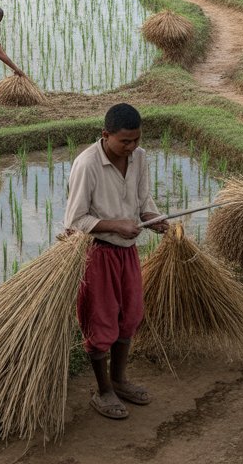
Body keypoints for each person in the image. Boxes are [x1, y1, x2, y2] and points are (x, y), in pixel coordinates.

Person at [64, 103, 168, 421]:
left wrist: (152, 218)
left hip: (128, 252)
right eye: (125, 141)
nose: (131, 147)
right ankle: (103, 389)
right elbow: (75, 220)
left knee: (131, 316)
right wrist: (115, 224)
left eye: (136, 140)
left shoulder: (140, 158)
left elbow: (142, 200)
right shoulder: (87, 165)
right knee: (101, 322)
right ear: (105, 135)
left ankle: (120, 380)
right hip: (98, 253)